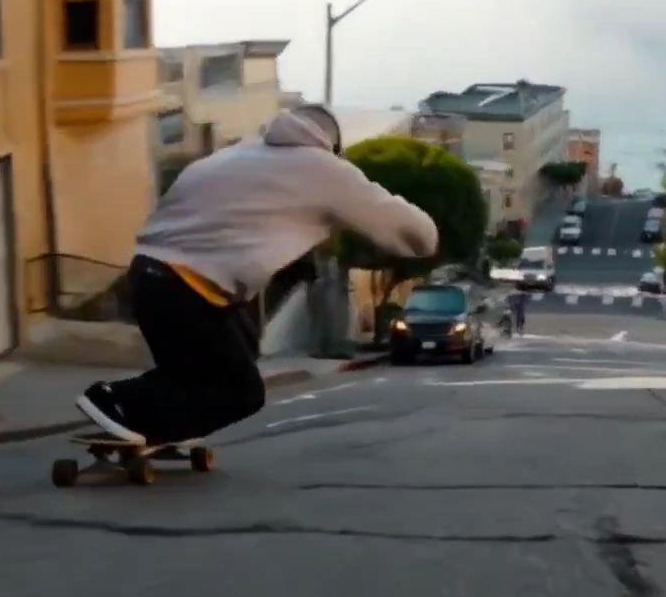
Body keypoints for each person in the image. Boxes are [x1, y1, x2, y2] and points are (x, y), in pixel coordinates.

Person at [75, 105, 438, 444]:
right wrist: (428, 240)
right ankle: (119, 403)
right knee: (242, 393)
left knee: (238, 347)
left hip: (148, 275)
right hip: (184, 288)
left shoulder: (238, 153)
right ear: (332, 146)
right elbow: (405, 226)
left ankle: (151, 414)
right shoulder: (324, 169)